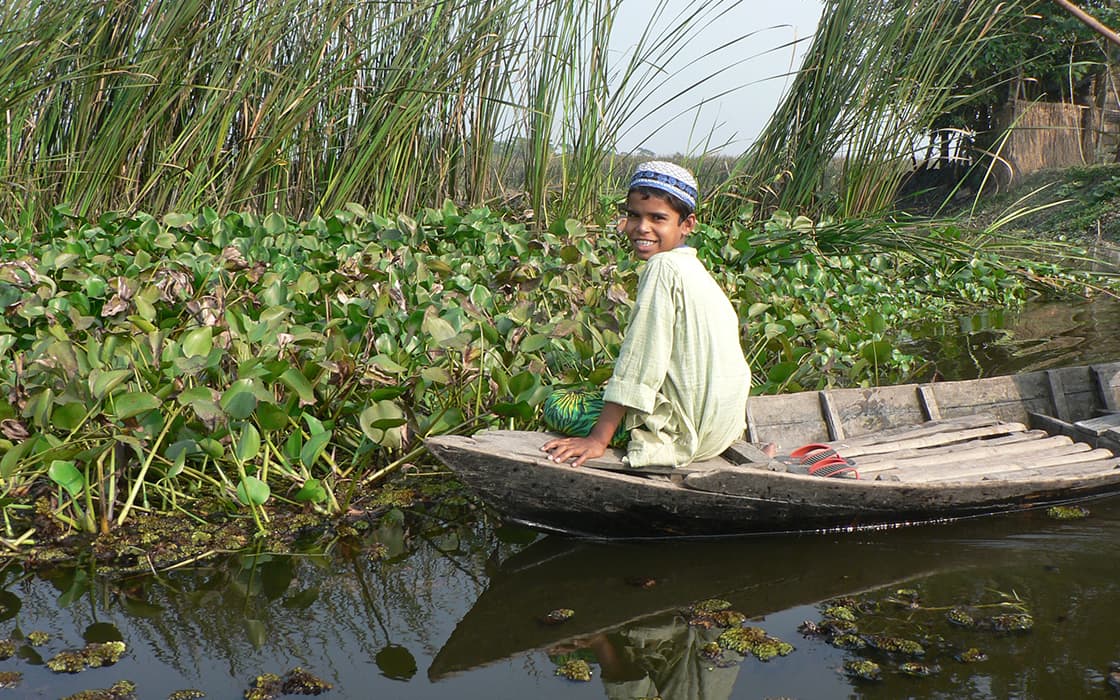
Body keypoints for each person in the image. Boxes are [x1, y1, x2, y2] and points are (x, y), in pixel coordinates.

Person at [541, 161, 751, 468]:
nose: (642, 228)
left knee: (557, 405)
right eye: (634, 216)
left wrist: (598, 439)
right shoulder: (695, 269)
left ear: (687, 224)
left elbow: (640, 363)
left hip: (684, 434)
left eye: (658, 218)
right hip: (722, 431)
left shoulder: (662, 268)